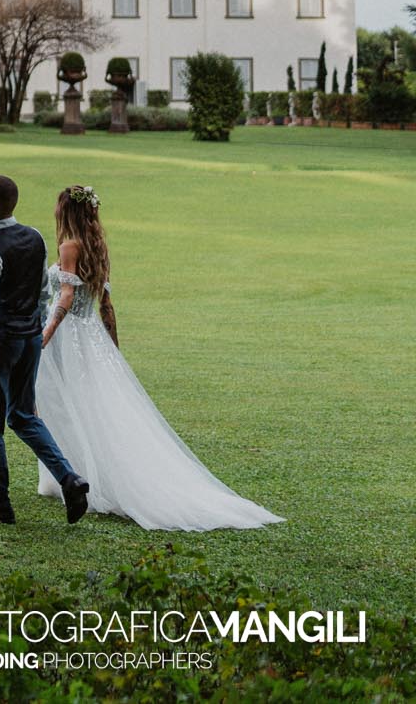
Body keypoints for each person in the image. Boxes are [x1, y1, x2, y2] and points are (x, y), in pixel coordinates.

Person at [30, 185, 283, 530]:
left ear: (66, 213)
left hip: (69, 336)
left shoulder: (69, 246)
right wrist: (112, 350)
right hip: (92, 339)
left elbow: (66, 295)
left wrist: (46, 334)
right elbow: (106, 306)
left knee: (66, 405)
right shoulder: (97, 247)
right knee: (88, 405)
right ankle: (69, 475)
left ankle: (83, 477)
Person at [0, 173, 90, 525]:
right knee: (22, 414)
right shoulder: (35, 238)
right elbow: (43, 294)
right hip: (30, 339)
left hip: (1, 344)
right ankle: (69, 478)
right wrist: (33, 333)